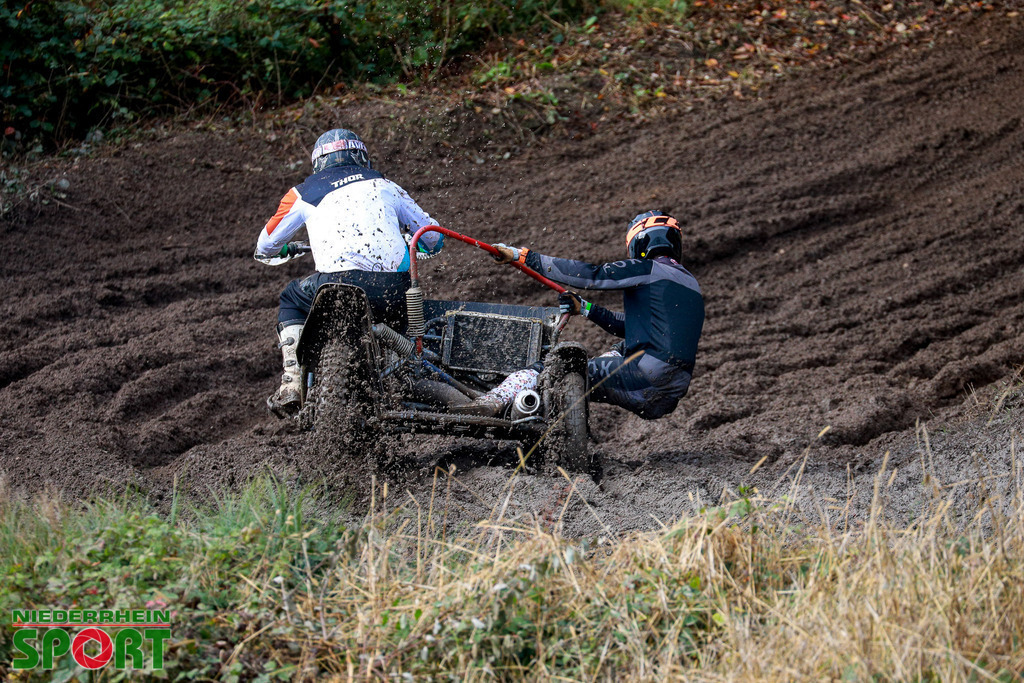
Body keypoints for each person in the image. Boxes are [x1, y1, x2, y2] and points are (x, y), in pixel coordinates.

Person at [254, 128, 444, 417]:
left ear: (319, 162)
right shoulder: (386, 185)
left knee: (291, 298)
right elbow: (433, 238)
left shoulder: (303, 193)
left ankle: (292, 381)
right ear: (361, 157)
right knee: (409, 312)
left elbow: (266, 246)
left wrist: (285, 249)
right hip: (392, 289)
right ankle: (410, 373)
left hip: (336, 287)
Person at [487, 211, 704, 420]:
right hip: (671, 391)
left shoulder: (647, 268)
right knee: (610, 357)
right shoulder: (691, 284)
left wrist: (524, 256)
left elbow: (592, 276)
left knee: (556, 369)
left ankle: (494, 400)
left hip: (644, 375)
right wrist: (585, 308)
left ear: (638, 243)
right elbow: (633, 326)